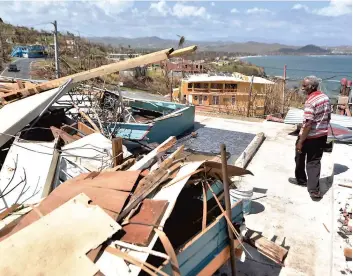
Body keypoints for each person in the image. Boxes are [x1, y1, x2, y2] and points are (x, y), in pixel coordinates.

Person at [288, 76, 331, 199]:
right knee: (314, 162)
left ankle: (301, 180)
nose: (302, 87)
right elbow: (328, 116)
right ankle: (314, 190)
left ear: (312, 87)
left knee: (300, 156)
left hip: (309, 137)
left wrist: (301, 141)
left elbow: (307, 124)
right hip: (321, 136)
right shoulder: (325, 97)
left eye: (305, 86)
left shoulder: (310, 102)